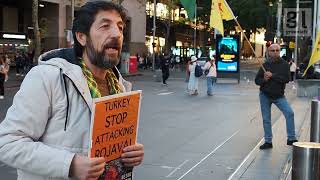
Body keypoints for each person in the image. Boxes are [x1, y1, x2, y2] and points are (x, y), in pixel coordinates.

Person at [0, 1, 144, 180]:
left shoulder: (120, 86)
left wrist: (130, 151)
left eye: (120, 27)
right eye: (105, 26)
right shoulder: (47, 77)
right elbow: (7, 142)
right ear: (82, 37)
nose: (116, 34)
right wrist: (69, 164)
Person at [255, 44, 297, 150]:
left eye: (277, 50)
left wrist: (272, 75)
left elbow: (286, 79)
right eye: (272, 50)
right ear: (268, 52)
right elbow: (257, 81)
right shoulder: (264, 65)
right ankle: (268, 141)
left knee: (289, 113)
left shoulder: (285, 65)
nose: (275, 52)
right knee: (266, 119)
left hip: (279, 95)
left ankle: (291, 138)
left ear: (279, 52)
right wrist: (264, 79)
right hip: (265, 95)